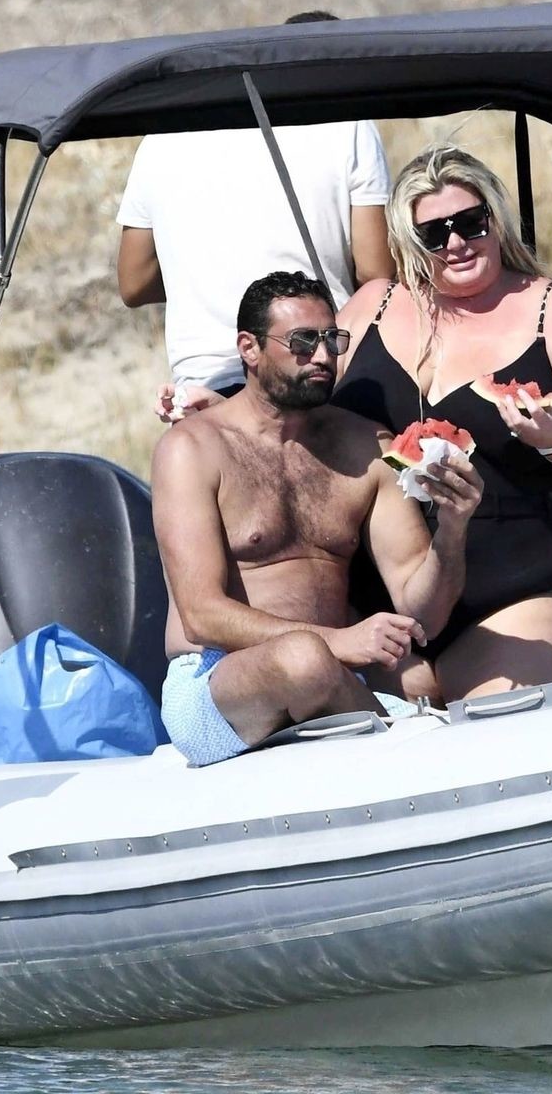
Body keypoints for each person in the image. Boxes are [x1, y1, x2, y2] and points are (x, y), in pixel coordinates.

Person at [333, 145, 552, 701]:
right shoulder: (372, 304)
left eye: (471, 222)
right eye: (433, 234)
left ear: (495, 220)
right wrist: (224, 410)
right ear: (408, 241)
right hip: (375, 605)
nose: (455, 243)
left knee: (497, 734)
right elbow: (300, 411)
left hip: (512, 598)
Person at [152, 270, 483, 766]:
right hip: (214, 682)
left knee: (418, 679)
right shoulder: (192, 448)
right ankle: (412, 761)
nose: (324, 356)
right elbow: (201, 616)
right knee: (303, 659)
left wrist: (453, 530)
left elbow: (423, 616)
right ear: (249, 348)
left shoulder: (366, 446)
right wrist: (342, 642)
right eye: (303, 342)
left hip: (334, 673)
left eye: (332, 339)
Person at [116, 10, 394, 416]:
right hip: (312, 371)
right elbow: (375, 273)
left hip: (203, 386)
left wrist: (206, 276)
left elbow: (134, 283)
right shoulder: (348, 121)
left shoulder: (164, 135)